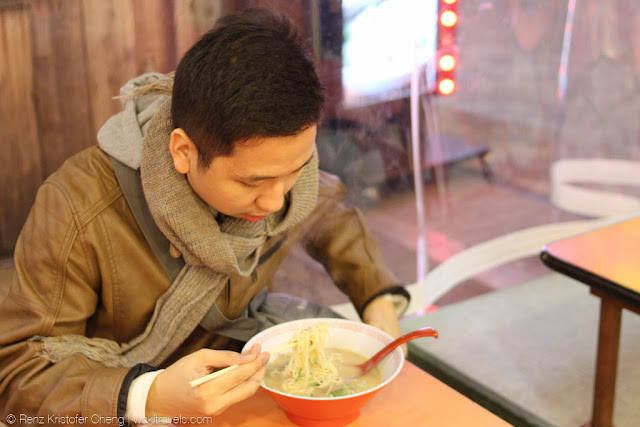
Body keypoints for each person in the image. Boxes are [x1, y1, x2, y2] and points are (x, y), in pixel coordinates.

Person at [0, 8, 408, 425]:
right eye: (252, 183)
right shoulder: (77, 206)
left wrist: (378, 301)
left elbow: (329, 213)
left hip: (238, 386)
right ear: (183, 152)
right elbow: (16, 373)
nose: (274, 202)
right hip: (117, 397)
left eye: (297, 170)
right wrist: (147, 396)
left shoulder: (284, 178)